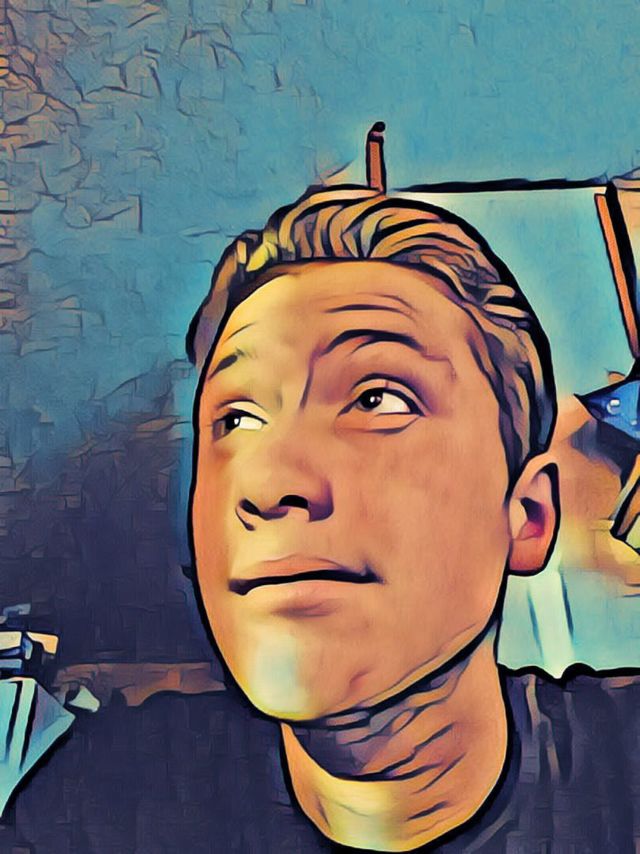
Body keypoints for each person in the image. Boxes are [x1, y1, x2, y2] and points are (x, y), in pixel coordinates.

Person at [4, 138, 640, 854]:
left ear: (526, 517)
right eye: (238, 419)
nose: (270, 484)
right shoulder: (98, 809)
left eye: (377, 398)